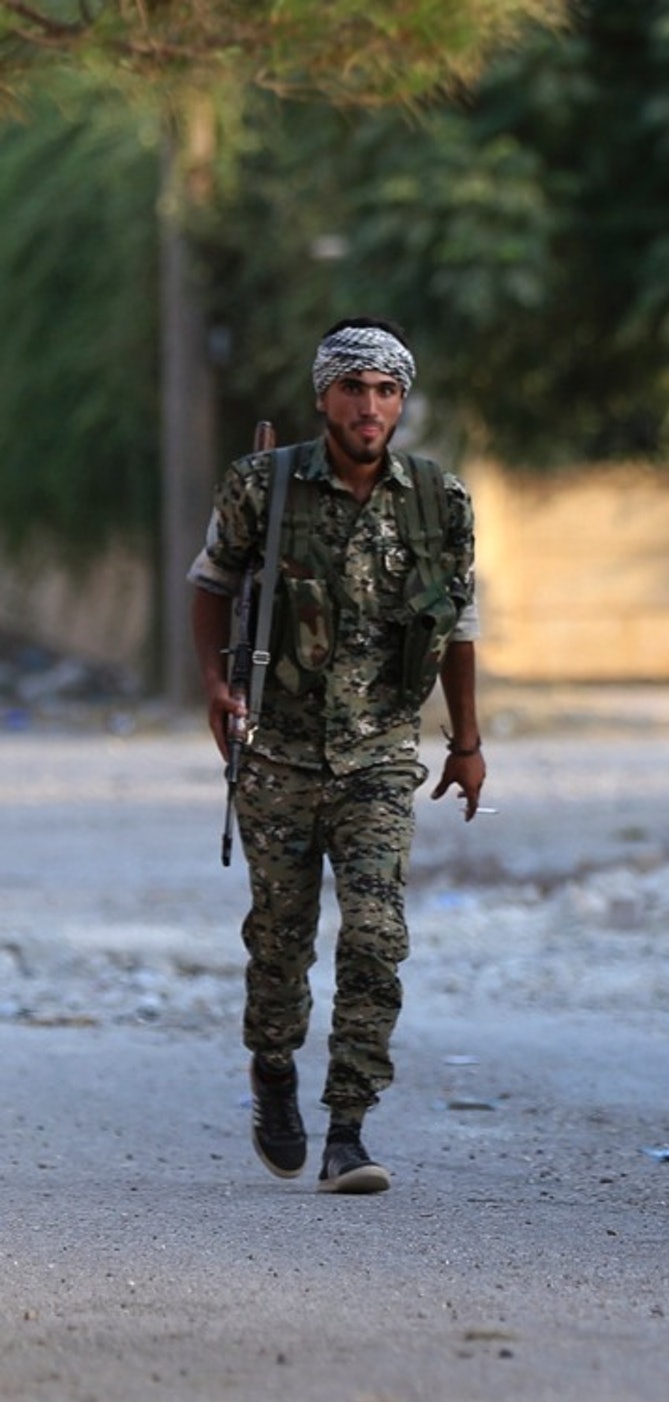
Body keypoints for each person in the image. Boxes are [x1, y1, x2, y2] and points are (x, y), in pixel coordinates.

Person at [188, 317, 486, 1195]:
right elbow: (210, 583)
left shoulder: (438, 498)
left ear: (402, 402)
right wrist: (215, 687)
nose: (370, 406)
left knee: (377, 936)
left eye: (386, 390)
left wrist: (467, 742)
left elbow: (459, 625)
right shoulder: (264, 485)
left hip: (381, 755)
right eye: (354, 388)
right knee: (280, 942)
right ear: (324, 397)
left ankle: (348, 1130)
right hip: (277, 750)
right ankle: (274, 1067)